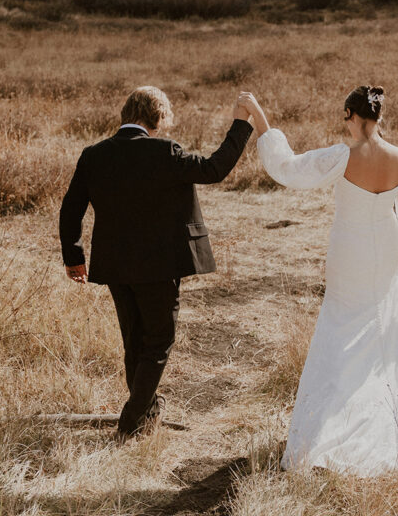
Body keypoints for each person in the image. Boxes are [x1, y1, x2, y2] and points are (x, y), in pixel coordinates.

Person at [238, 86, 398, 479]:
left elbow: (288, 167)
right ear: (380, 118)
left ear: (351, 116)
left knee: (340, 328)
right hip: (385, 250)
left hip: (349, 251)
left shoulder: (343, 156)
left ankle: (334, 427)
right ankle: (391, 419)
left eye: (346, 119)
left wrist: (259, 117)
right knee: (384, 326)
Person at [59, 85, 253, 442]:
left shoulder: (93, 155)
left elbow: (71, 208)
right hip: (160, 266)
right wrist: (241, 123)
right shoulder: (166, 152)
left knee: (134, 342)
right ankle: (130, 422)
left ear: (125, 114)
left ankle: (146, 415)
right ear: (158, 117)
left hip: (115, 266)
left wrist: (74, 257)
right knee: (158, 341)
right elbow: (214, 169)